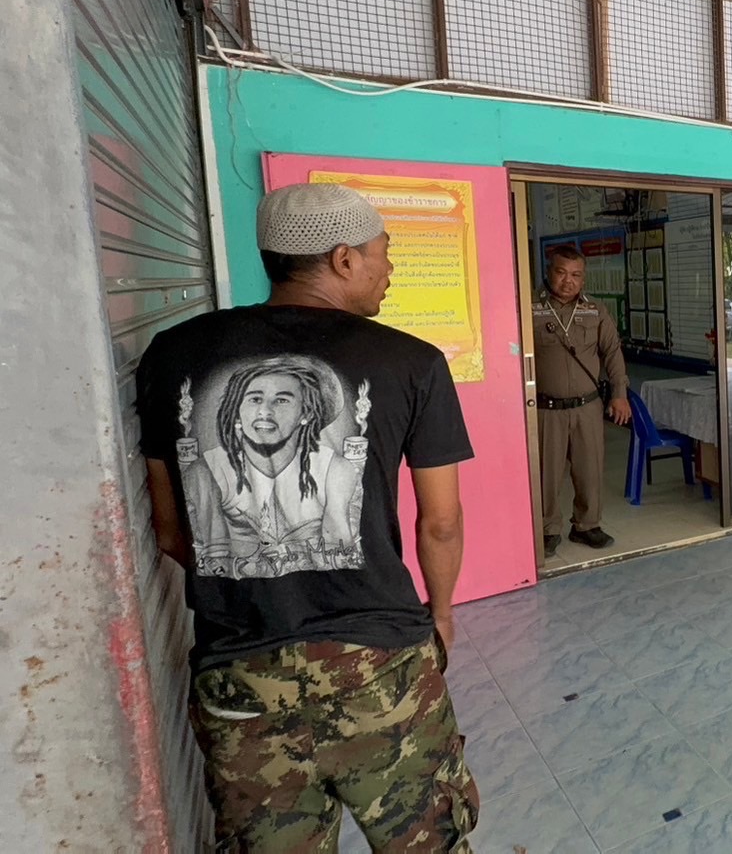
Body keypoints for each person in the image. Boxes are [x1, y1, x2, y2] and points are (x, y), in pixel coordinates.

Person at [136, 183, 478, 850]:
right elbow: (440, 522)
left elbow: (172, 531)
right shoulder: (410, 360)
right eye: (384, 253)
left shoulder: (172, 354)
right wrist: (439, 613)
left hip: (239, 680)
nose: (389, 269)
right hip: (381, 664)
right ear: (344, 258)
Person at [533, 245, 631, 553]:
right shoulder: (529, 308)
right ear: (549, 272)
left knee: (590, 470)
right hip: (546, 408)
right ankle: (547, 529)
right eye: (561, 273)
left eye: (576, 275)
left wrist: (619, 394)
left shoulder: (595, 310)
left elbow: (612, 352)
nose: (568, 281)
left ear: (584, 278)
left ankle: (587, 526)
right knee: (546, 474)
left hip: (587, 406)